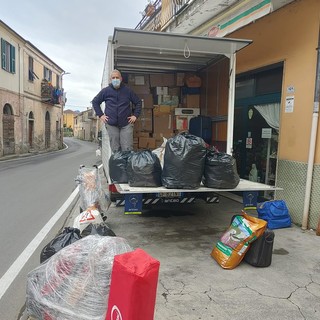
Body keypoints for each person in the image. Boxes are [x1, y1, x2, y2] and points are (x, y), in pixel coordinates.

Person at [92, 69, 142, 152]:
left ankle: (126, 164)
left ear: (121, 79)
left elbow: (138, 102)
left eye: (117, 77)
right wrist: (101, 115)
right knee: (115, 149)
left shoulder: (128, 91)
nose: (115, 79)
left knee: (127, 149)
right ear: (110, 79)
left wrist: (135, 115)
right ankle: (117, 165)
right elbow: (95, 102)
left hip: (126, 124)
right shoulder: (106, 91)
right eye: (113, 78)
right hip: (111, 125)